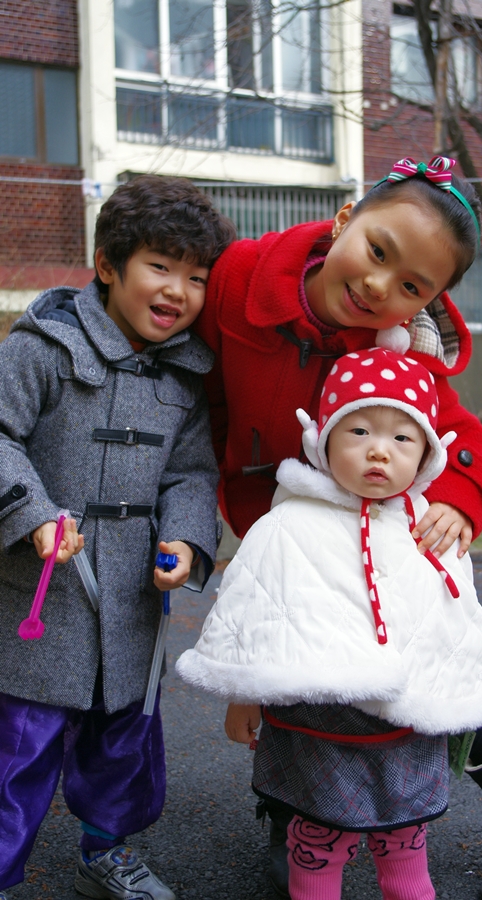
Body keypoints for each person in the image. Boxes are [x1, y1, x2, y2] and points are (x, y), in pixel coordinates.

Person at [193, 156, 482, 900]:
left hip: (367, 529)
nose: (380, 286)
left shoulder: (394, 348)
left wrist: (462, 499)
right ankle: (300, 811)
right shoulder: (243, 279)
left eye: (412, 287)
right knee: (300, 656)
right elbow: (209, 383)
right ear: (345, 219)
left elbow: (455, 434)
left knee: (419, 671)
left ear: (428, 302)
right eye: (377, 251)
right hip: (283, 517)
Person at [177, 344, 482, 900]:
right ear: (324, 439)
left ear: (427, 453)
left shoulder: (429, 527)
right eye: (358, 431)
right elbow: (255, 616)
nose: (379, 450)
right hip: (319, 723)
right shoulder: (287, 524)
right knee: (317, 844)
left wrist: (458, 694)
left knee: (405, 845)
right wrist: (244, 693)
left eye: (402, 438)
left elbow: (452, 623)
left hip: (405, 725)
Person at [0, 175, 236, 900]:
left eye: (196, 278)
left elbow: (190, 473)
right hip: (41, 596)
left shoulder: (185, 376)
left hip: (131, 599)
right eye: (160, 267)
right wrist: (34, 514)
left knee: (123, 740)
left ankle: (106, 850)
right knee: (19, 748)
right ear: (108, 265)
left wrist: (187, 540)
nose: (178, 291)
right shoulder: (42, 348)